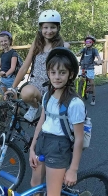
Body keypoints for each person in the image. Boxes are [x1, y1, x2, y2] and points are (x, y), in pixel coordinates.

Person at [29, 47, 85, 196]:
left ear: (70, 74)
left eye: (62, 72)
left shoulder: (75, 103)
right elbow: (41, 122)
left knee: (53, 193)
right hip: (42, 141)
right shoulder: (47, 95)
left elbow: (79, 138)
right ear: (48, 73)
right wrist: (32, 148)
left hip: (59, 147)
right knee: (35, 185)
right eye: (53, 72)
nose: (57, 77)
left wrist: (73, 169)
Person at [6, 9, 70, 122]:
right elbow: (25, 66)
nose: (49, 31)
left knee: (52, 121)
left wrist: (65, 48)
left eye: (52, 27)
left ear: (58, 28)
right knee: (25, 93)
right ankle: (35, 107)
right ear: (41, 28)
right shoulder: (37, 44)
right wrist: (13, 88)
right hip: (36, 84)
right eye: (45, 27)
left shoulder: (62, 46)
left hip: (53, 87)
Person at [76, 35, 102, 106]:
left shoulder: (94, 50)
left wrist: (99, 61)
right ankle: (79, 94)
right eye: (86, 42)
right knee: (80, 80)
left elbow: (99, 58)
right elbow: (77, 53)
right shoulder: (84, 49)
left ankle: (93, 98)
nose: (87, 43)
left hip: (90, 68)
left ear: (92, 43)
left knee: (92, 83)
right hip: (83, 67)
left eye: (89, 42)